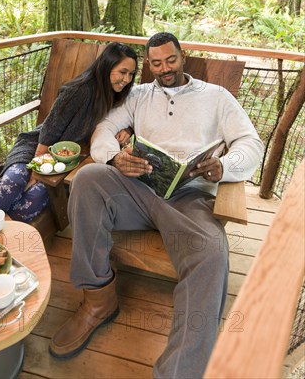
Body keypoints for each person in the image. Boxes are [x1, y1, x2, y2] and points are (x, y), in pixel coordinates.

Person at [49, 32, 264, 378]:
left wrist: (226, 165)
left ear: (183, 56)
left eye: (171, 60)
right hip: (139, 187)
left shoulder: (216, 97)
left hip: (190, 197)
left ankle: (179, 371)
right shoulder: (137, 95)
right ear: (148, 64)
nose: (164, 68)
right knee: (88, 180)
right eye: (156, 63)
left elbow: (250, 142)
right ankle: (98, 301)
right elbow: (104, 128)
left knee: (211, 252)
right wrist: (114, 157)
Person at [0, 42, 138, 227]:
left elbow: (125, 116)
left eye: (131, 74)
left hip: (67, 161)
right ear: (107, 66)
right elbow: (49, 131)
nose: (127, 79)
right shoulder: (78, 92)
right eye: (122, 72)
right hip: (36, 149)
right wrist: (36, 173)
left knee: (32, 199)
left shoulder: (117, 95)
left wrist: (127, 130)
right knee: (12, 184)